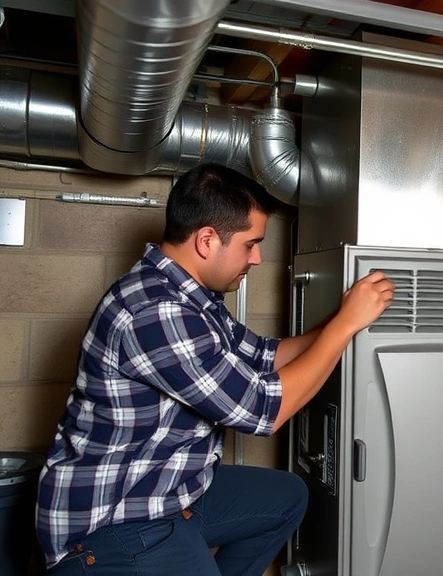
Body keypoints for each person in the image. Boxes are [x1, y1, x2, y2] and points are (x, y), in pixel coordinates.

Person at [36, 163, 394, 576]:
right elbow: (262, 410)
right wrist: (347, 325)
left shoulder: (190, 298)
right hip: (115, 520)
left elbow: (264, 355)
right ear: (207, 240)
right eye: (250, 244)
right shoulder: (156, 311)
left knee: (286, 497)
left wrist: (341, 319)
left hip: (171, 489)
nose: (257, 258)